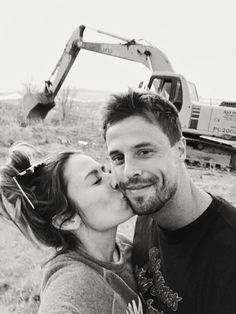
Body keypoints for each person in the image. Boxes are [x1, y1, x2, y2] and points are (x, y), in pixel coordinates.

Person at [101, 89, 236, 314]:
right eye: (118, 158)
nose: (129, 171)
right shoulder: (146, 213)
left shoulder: (228, 254)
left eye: (144, 152)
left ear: (181, 149)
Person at [0, 143, 143, 314]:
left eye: (106, 171)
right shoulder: (73, 282)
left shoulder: (125, 247)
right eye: (97, 180)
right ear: (66, 220)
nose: (115, 180)